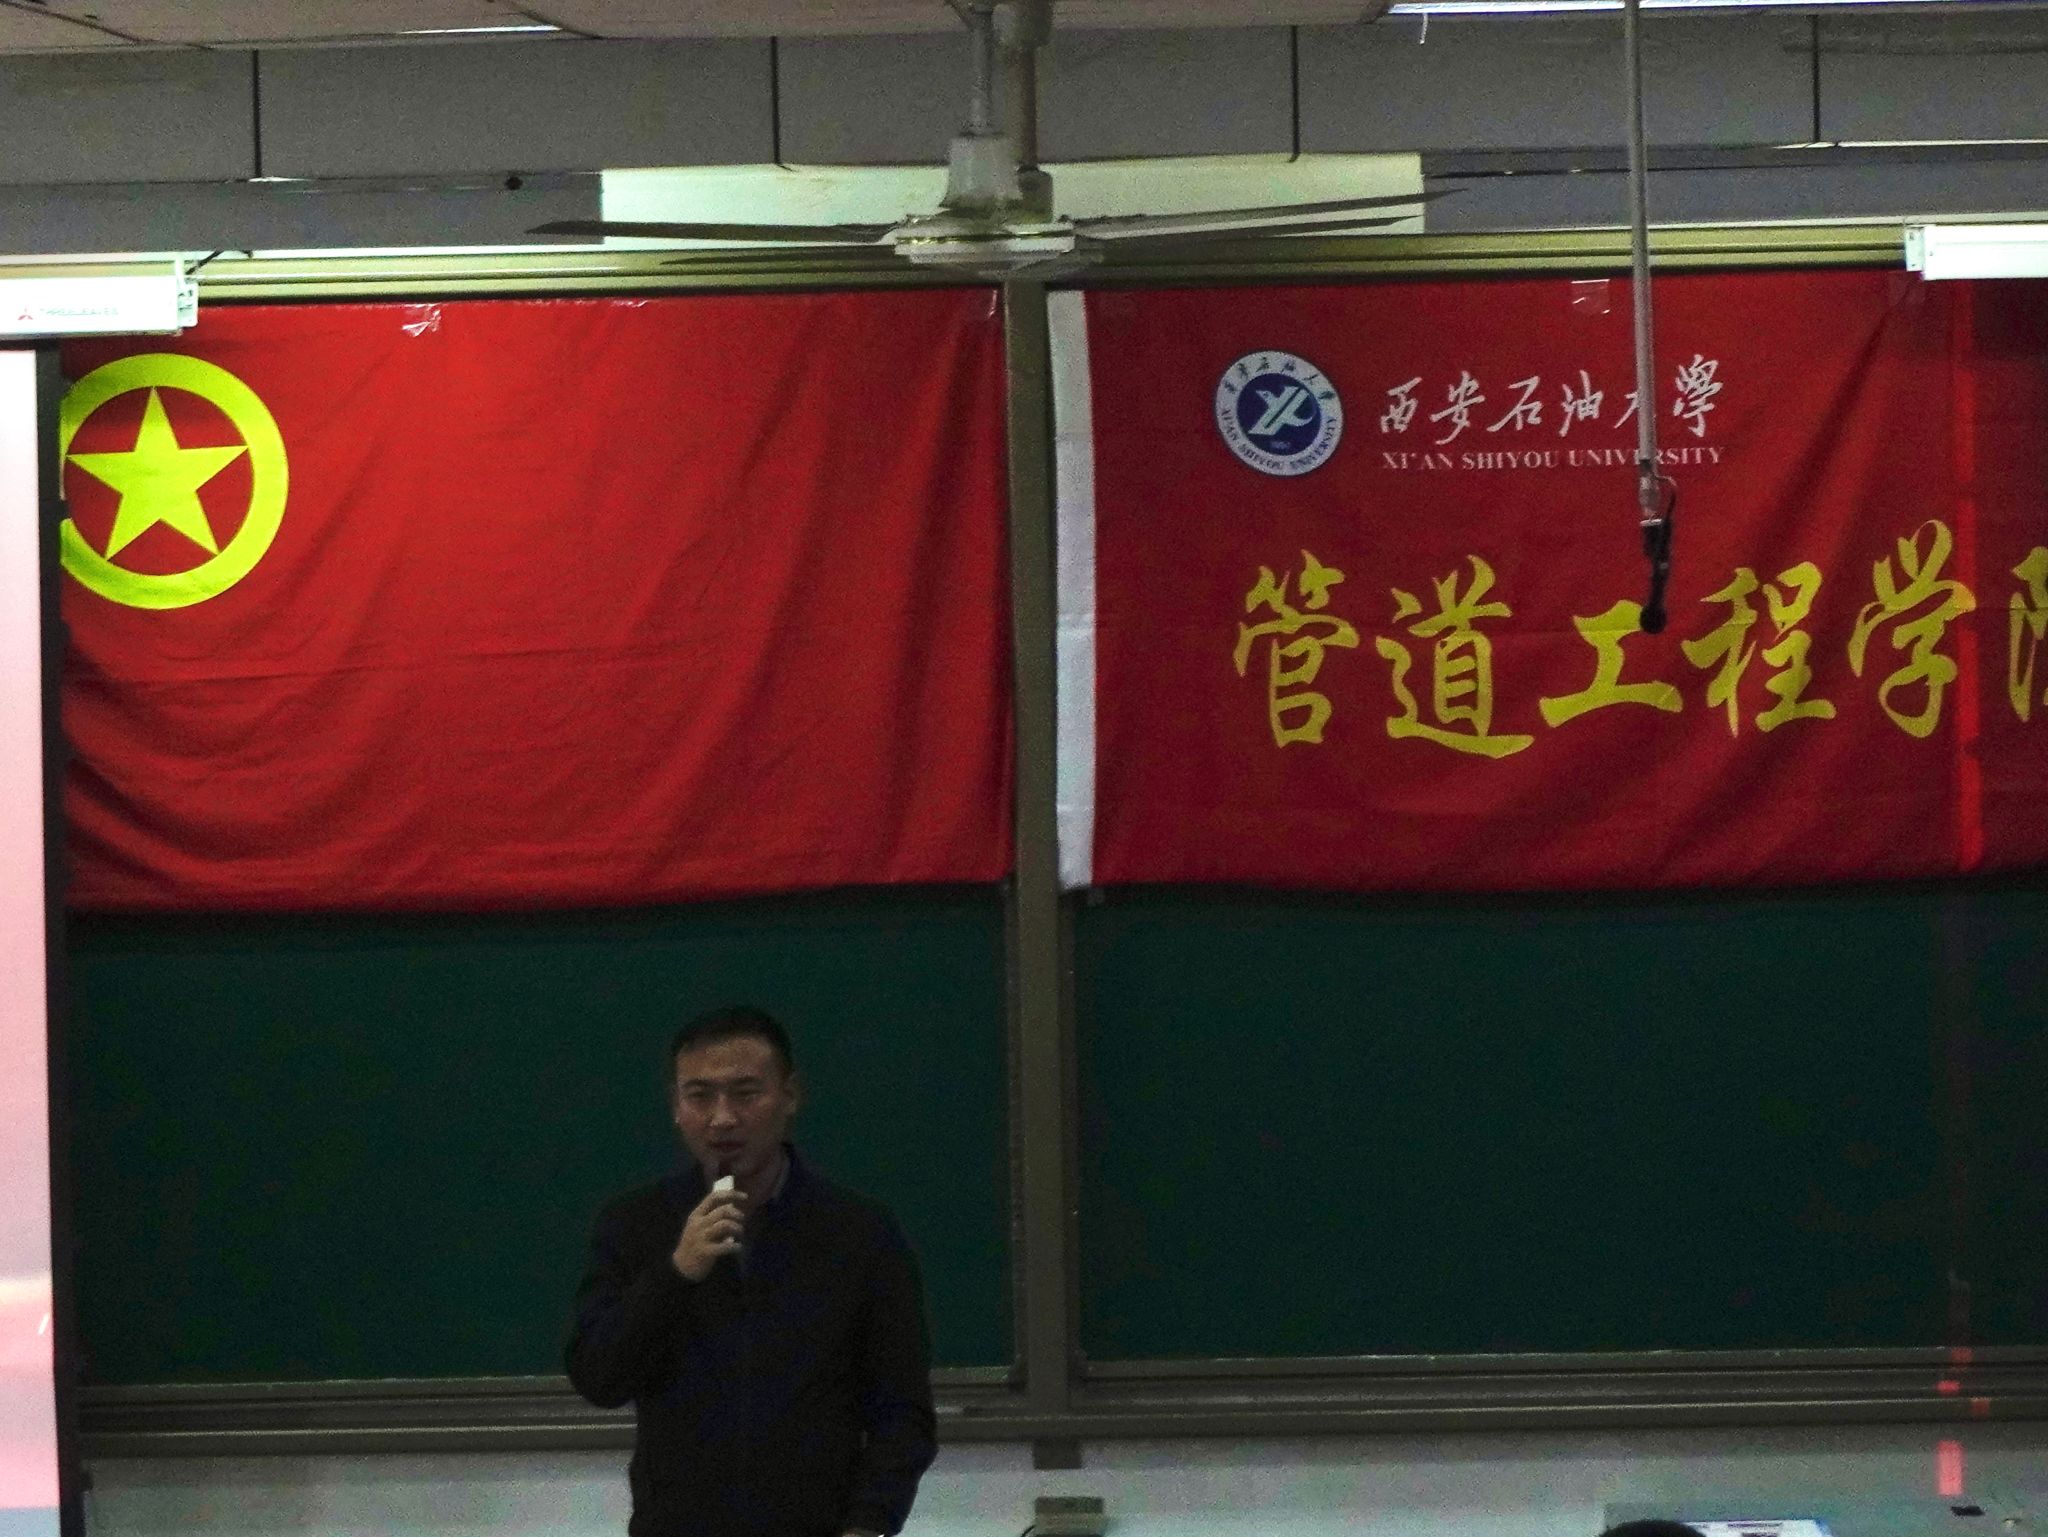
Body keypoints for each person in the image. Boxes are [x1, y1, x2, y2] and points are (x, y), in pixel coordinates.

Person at [567, 1005, 937, 1537]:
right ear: (676, 1106)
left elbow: (902, 1411)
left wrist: (870, 1523)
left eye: (745, 1093)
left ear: (790, 1096)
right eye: (700, 1096)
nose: (722, 1118)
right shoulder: (634, 1224)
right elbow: (599, 1378)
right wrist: (676, 1272)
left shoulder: (859, 1233)